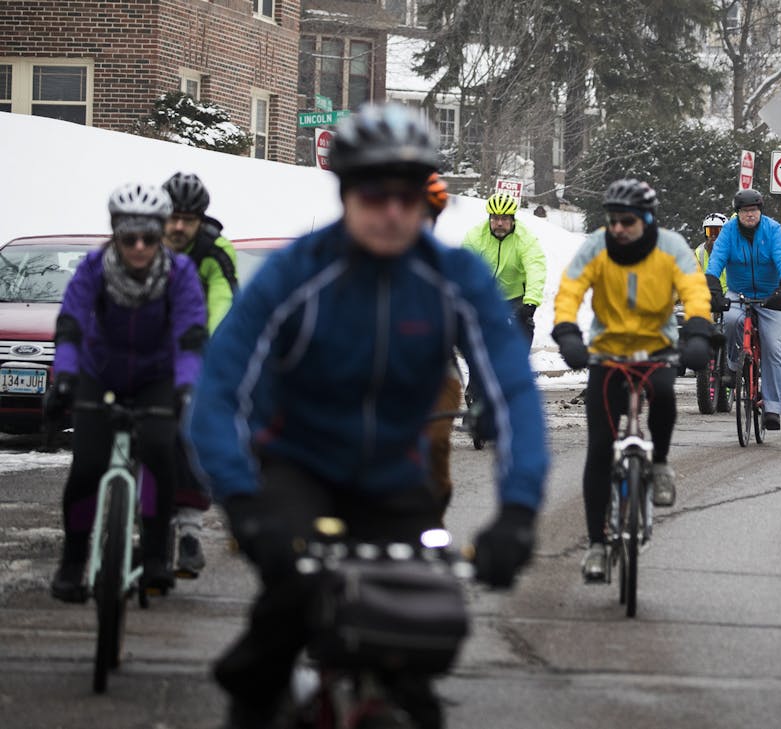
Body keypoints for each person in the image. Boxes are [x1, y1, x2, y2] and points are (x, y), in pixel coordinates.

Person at [186, 104, 546, 729]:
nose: (392, 212)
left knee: (423, 635)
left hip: (389, 478)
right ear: (347, 192)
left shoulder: (454, 277)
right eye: (374, 195)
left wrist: (517, 511)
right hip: (295, 466)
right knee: (290, 598)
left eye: (408, 197)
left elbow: (514, 391)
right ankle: (250, 700)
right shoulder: (297, 273)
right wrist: (242, 501)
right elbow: (219, 389)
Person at [47, 182, 207, 601]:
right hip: (100, 374)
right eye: (128, 237)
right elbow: (72, 324)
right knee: (86, 468)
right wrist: (64, 376)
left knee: (158, 451)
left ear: (161, 236)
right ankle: (72, 564)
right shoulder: (94, 268)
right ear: (115, 233)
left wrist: (187, 385)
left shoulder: (180, 273)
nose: (139, 246)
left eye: (149, 238)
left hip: (157, 377)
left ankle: (155, 556)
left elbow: (191, 335)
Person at [551, 178, 712, 581]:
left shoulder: (672, 247)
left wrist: (697, 333)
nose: (617, 228)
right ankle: (597, 547)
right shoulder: (597, 246)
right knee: (600, 448)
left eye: (626, 221)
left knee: (662, 393)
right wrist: (567, 332)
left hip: (657, 348)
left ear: (646, 219)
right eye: (612, 221)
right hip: (608, 351)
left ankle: (658, 465)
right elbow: (570, 290)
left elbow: (694, 292)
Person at [160, 171, 241, 578]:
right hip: (146, 353)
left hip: (196, 352)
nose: (177, 227)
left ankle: (190, 531)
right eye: (172, 217)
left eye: (187, 220)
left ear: (200, 221)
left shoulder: (214, 250)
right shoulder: (143, 242)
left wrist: (203, 352)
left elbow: (223, 303)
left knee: (186, 432)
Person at [706, 188, 781, 430]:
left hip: (771, 297)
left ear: (760, 211)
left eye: (754, 210)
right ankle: (735, 364)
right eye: (746, 211)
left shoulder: (772, 230)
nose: (751, 215)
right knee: (730, 320)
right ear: (738, 213)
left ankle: (772, 408)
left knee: (773, 349)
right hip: (739, 293)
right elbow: (716, 260)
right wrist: (712, 285)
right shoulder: (728, 232)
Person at [422, 173, 466, 516]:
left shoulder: (450, 272)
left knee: (435, 440)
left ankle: (435, 509)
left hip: (438, 373)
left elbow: (492, 347)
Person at [461, 191, 547, 348]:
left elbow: (536, 267)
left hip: (516, 296)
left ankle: (519, 366)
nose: (499, 223)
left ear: (513, 220)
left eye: (504, 219)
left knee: (523, 325)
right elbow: (464, 268)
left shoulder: (525, 239)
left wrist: (531, 302)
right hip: (487, 293)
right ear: (489, 219)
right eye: (495, 218)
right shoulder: (475, 236)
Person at [695, 212, 728, 291]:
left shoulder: (733, 249)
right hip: (709, 295)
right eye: (709, 231)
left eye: (717, 231)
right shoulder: (700, 252)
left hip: (732, 296)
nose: (713, 235)